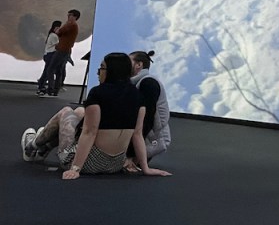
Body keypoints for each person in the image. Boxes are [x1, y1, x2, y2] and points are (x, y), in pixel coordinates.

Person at [21, 52, 172, 179]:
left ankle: (32, 145)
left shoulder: (98, 93)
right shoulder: (137, 95)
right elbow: (137, 134)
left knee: (66, 112)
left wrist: (75, 168)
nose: (98, 72)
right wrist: (145, 168)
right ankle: (42, 146)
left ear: (111, 71)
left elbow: (90, 132)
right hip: (115, 164)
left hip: (90, 164)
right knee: (80, 112)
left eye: (102, 68)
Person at [124, 50, 172, 168]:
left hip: (150, 141)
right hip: (143, 139)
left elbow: (147, 118)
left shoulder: (149, 83)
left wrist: (131, 153)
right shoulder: (136, 83)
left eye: (128, 62)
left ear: (139, 64)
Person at [42, 9, 79, 96]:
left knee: (51, 69)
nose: (68, 16)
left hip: (62, 50)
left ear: (75, 17)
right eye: (68, 14)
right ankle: (55, 91)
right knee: (59, 70)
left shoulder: (71, 24)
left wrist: (59, 30)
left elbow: (60, 32)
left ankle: (50, 90)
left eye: (70, 15)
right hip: (65, 50)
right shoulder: (72, 25)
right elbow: (60, 33)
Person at [35, 20, 62, 96]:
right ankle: (41, 86)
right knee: (47, 72)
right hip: (50, 55)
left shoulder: (51, 35)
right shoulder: (54, 36)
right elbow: (58, 45)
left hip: (48, 55)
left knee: (47, 71)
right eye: (59, 28)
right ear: (56, 28)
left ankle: (41, 85)